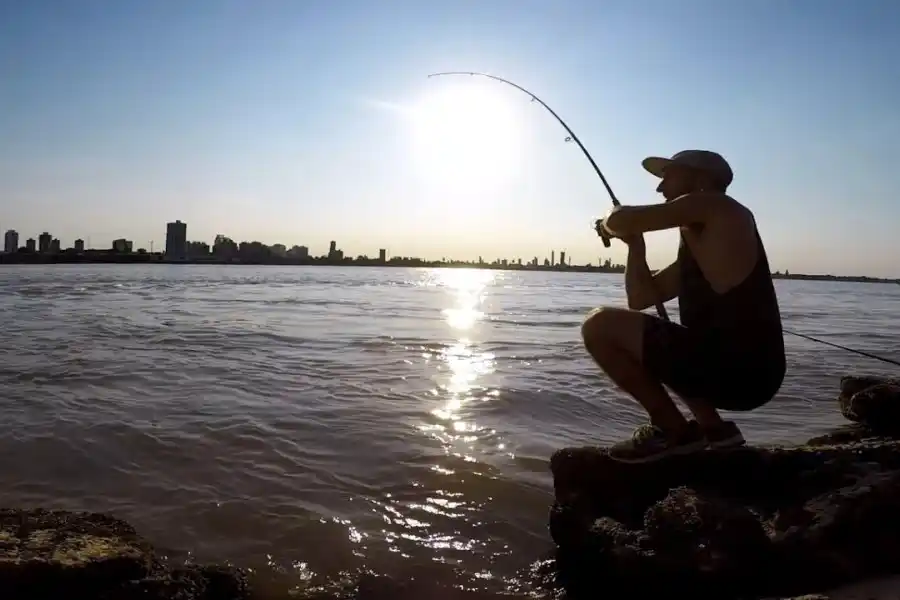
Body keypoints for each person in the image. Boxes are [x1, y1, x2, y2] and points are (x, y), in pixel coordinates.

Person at [584, 149, 785, 463]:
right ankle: (716, 430)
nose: (660, 189)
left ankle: (674, 430)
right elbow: (640, 299)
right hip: (741, 373)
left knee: (597, 326)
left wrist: (609, 223)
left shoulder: (714, 203)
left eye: (668, 177)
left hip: (740, 370)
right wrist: (636, 247)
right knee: (666, 338)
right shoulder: (704, 244)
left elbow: (623, 219)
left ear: (700, 179)